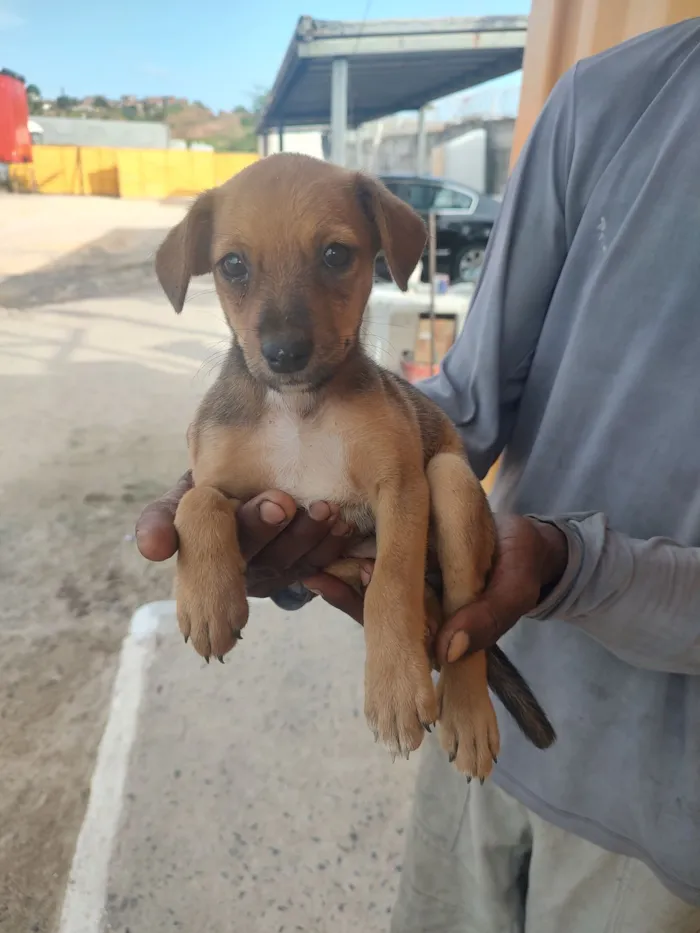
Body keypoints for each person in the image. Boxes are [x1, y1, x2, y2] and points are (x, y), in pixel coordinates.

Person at [137, 19, 700, 932]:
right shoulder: (608, 99)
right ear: (207, 268)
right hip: (475, 746)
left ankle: (467, 667)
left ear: (378, 253)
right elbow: (467, 400)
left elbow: (425, 469)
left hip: (666, 808)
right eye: (236, 273)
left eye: (334, 260)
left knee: (441, 484)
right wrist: (232, 539)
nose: (284, 328)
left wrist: (522, 588)